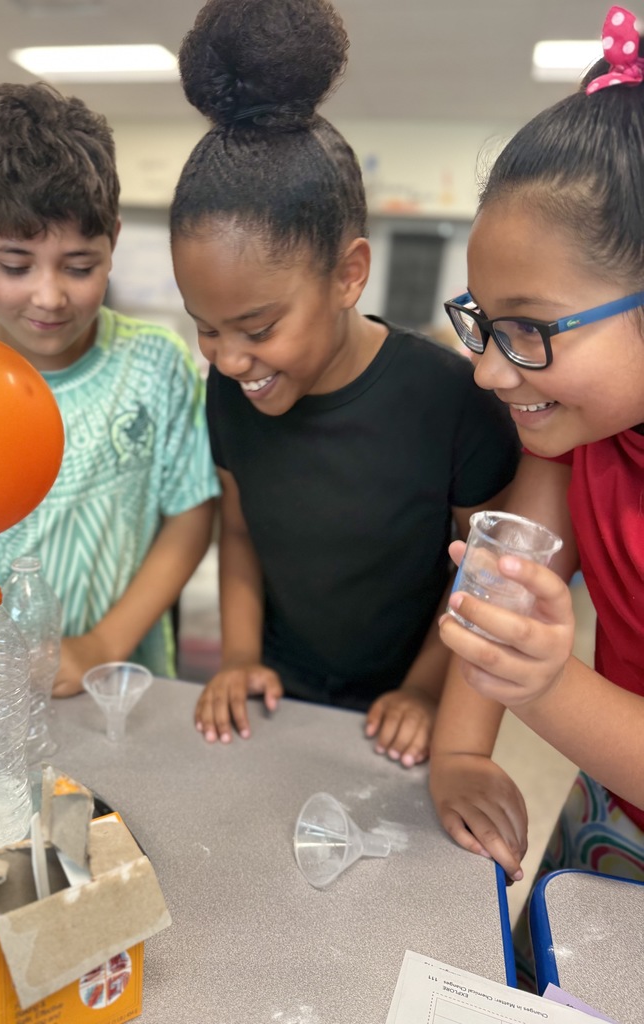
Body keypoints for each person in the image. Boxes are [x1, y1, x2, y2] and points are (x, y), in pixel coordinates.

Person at [169, 0, 520, 756]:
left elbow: (484, 573)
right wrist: (237, 656)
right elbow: (238, 527)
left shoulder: (451, 399)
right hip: (280, 698)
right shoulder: (229, 389)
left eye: (259, 329)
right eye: (206, 327)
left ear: (349, 274)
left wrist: (427, 688)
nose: (229, 360)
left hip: (410, 702)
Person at [0, 82, 219, 796]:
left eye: (80, 264)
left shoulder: (153, 364)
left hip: (119, 683)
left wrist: (103, 644)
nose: (49, 295)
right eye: (14, 264)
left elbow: (190, 514)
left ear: (114, 239)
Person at [429, 2, 644, 984]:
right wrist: (463, 753)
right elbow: (506, 578)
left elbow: (536, 667)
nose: (487, 371)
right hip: (611, 810)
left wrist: (548, 684)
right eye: (483, 324)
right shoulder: (575, 438)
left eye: (530, 330)